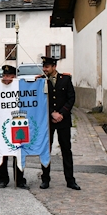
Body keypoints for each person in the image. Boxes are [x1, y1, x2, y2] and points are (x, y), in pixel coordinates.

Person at [40, 56, 80, 190]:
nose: (44, 69)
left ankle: (70, 180)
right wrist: (52, 112)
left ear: (54, 67)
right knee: (46, 150)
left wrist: (61, 113)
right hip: (48, 120)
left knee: (66, 150)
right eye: (44, 66)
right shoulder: (41, 81)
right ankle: (45, 179)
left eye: (47, 67)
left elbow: (71, 97)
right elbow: (41, 100)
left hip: (63, 120)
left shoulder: (66, 79)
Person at [0, 65, 29, 189]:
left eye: (9, 76)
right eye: (4, 75)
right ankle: (3, 179)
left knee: (19, 151)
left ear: (14, 77)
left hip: (16, 122)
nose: (6, 78)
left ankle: (19, 179)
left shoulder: (20, 86)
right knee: (2, 151)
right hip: (2, 123)